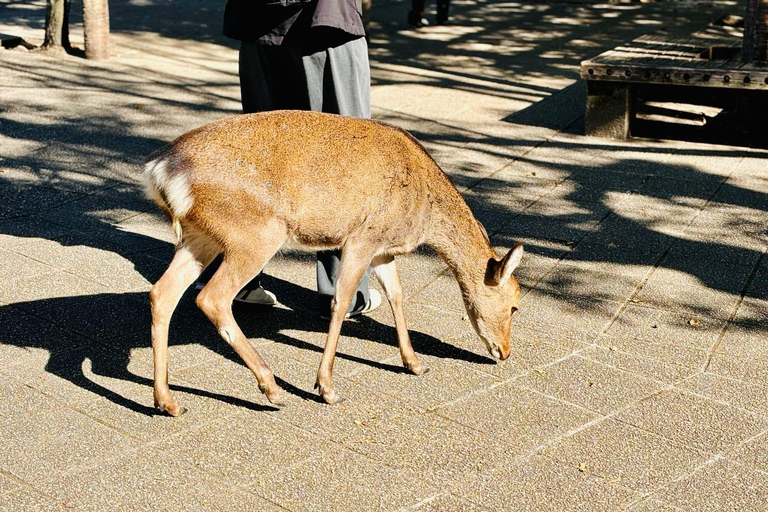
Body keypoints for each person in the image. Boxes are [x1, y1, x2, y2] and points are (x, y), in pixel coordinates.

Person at [197, 0, 380, 318]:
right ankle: (344, 294)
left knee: (261, 162)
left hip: (258, 26)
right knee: (344, 163)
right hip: (325, 26)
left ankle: (236, 277)